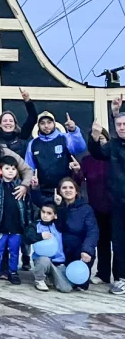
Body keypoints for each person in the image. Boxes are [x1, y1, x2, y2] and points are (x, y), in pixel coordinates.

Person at [0, 156, 37, 285]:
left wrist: (27, 223)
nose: (10, 171)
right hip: (0, 225)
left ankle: (13, 272)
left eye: (13, 169)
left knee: (14, 251)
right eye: (7, 168)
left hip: (17, 226)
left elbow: (27, 206)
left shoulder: (21, 186)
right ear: (0, 170)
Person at [88, 110, 125, 294]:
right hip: (117, 204)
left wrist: (116, 112)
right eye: (118, 125)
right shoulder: (113, 145)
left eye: (124, 124)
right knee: (119, 242)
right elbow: (97, 153)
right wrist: (94, 137)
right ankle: (121, 278)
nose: (122, 128)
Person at [77, 132, 116, 284]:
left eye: (102, 139)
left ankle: (120, 275)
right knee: (102, 241)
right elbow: (79, 180)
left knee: (119, 242)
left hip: (117, 206)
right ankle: (103, 274)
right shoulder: (87, 160)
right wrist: (76, 171)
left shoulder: (115, 157)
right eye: (96, 139)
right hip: (97, 206)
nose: (100, 142)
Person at [24, 111, 86, 200]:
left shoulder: (65, 137)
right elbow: (29, 168)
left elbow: (80, 148)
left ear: (54, 123)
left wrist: (73, 131)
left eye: (49, 122)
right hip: (44, 193)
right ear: (38, 126)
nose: (46, 126)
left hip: (65, 191)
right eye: (42, 123)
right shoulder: (33, 143)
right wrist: (32, 182)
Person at [52, 177, 98, 291]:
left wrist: (87, 250)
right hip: (63, 251)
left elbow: (92, 231)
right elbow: (59, 227)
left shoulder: (86, 208)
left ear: (76, 191)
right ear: (60, 191)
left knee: (80, 285)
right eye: (64, 188)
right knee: (65, 286)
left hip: (80, 251)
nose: (68, 190)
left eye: (71, 187)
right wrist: (59, 207)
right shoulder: (58, 207)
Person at [32, 201, 72, 293]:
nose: (45, 215)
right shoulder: (35, 225)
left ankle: (50, 277)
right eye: (43, 212)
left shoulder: (58, 226)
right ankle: (39, 280)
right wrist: (40, 236)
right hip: (42, 259)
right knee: (44, 260)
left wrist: (60, 205)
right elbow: (28, 237)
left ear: (55, 216)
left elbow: (64, 216)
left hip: (58, 262)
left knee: (66, 288)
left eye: (49, 213)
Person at [0, 88, 38, 155]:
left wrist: (27, 100)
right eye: (5, 121)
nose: (8, 123)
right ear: (0, 124)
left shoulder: (22, 136)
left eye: (11, 121)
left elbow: (32, 117)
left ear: (15, 124)